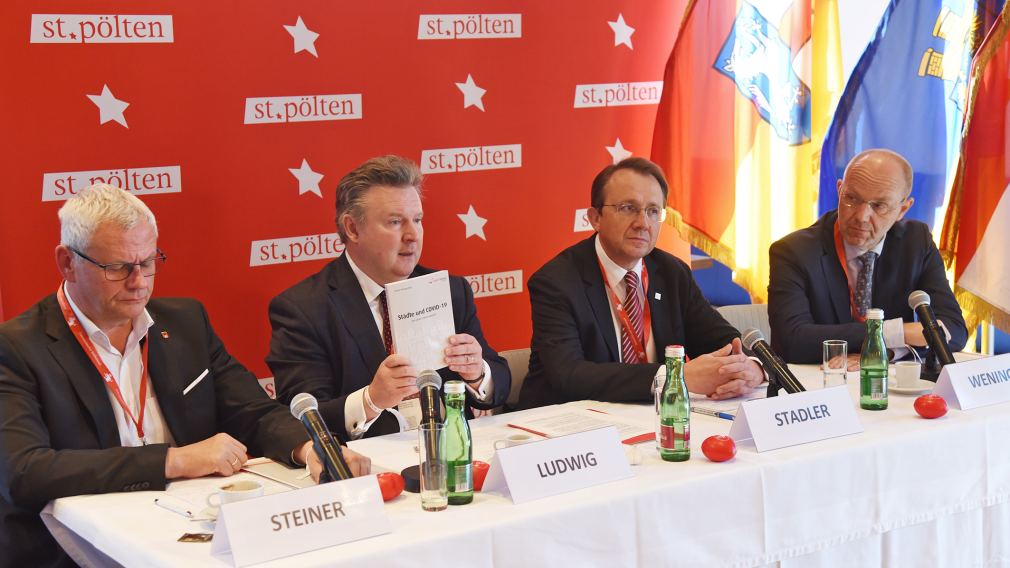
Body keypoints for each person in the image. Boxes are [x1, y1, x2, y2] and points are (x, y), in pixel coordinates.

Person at [0, 184, 370, 568]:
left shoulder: (185, 323)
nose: (138, 281)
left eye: (147, 262)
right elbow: (24, 472)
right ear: (66, 262)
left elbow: (254, 411)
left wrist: (310, 448)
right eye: (117, 268)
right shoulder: (17, 347)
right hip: (80, 551)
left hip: (187, 535)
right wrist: (174, 461)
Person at [267, 155, 510, 440]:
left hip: (451, 452)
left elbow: (500, 383)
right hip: (367, 468)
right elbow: (302, 417)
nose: (412, 235)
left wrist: (477, 373)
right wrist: (371, 400)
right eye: (395, 222)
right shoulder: (304, 308)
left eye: (417, 220)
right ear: (353, 228)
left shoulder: (450, 290)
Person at [517, 157, 765, 410]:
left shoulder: (672, 273)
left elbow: (727, 343)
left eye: (653, 211)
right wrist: (673, 378)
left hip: (650, 418)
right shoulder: (557, 281)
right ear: (595, 218)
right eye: (627, 208)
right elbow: (569, 375)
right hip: (569, 427)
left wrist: (753, 369)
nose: (643, 223)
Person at [768, 148, 968, 366]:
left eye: (879, 205)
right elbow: (791, 341)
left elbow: (954, 329)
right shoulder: (793, 251)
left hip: (887, 382)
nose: (861, 217)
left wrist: (886, 353)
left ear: (903, 209)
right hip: (820, 382)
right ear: (839, 190)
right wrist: (895, 333)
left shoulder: (916, 242)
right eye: (852, 199)